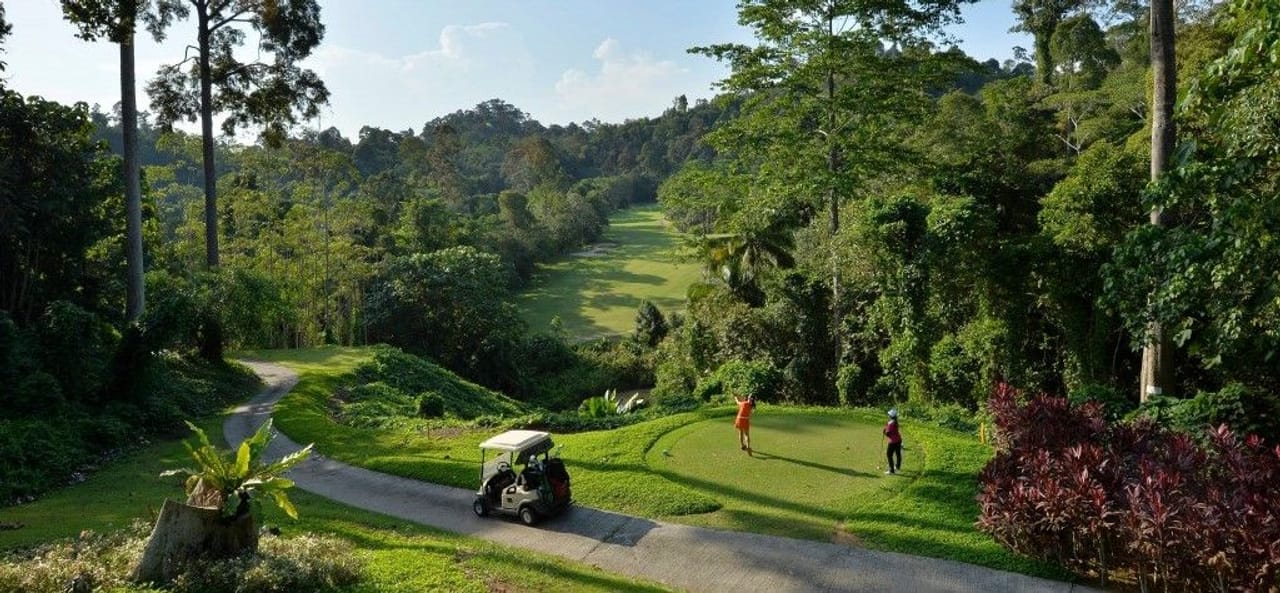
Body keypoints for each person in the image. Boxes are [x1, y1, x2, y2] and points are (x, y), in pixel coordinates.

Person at [883, 408, 902, 474]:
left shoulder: (890, 423)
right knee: (898, 454)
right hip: (899, 440)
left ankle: (891, 470)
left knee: (889, 454)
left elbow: (888, 434)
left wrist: (884, 432)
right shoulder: (895, 422)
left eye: (889, 414)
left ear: (890, 416)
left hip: (893, 442)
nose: (888, 415)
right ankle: (897, 467)